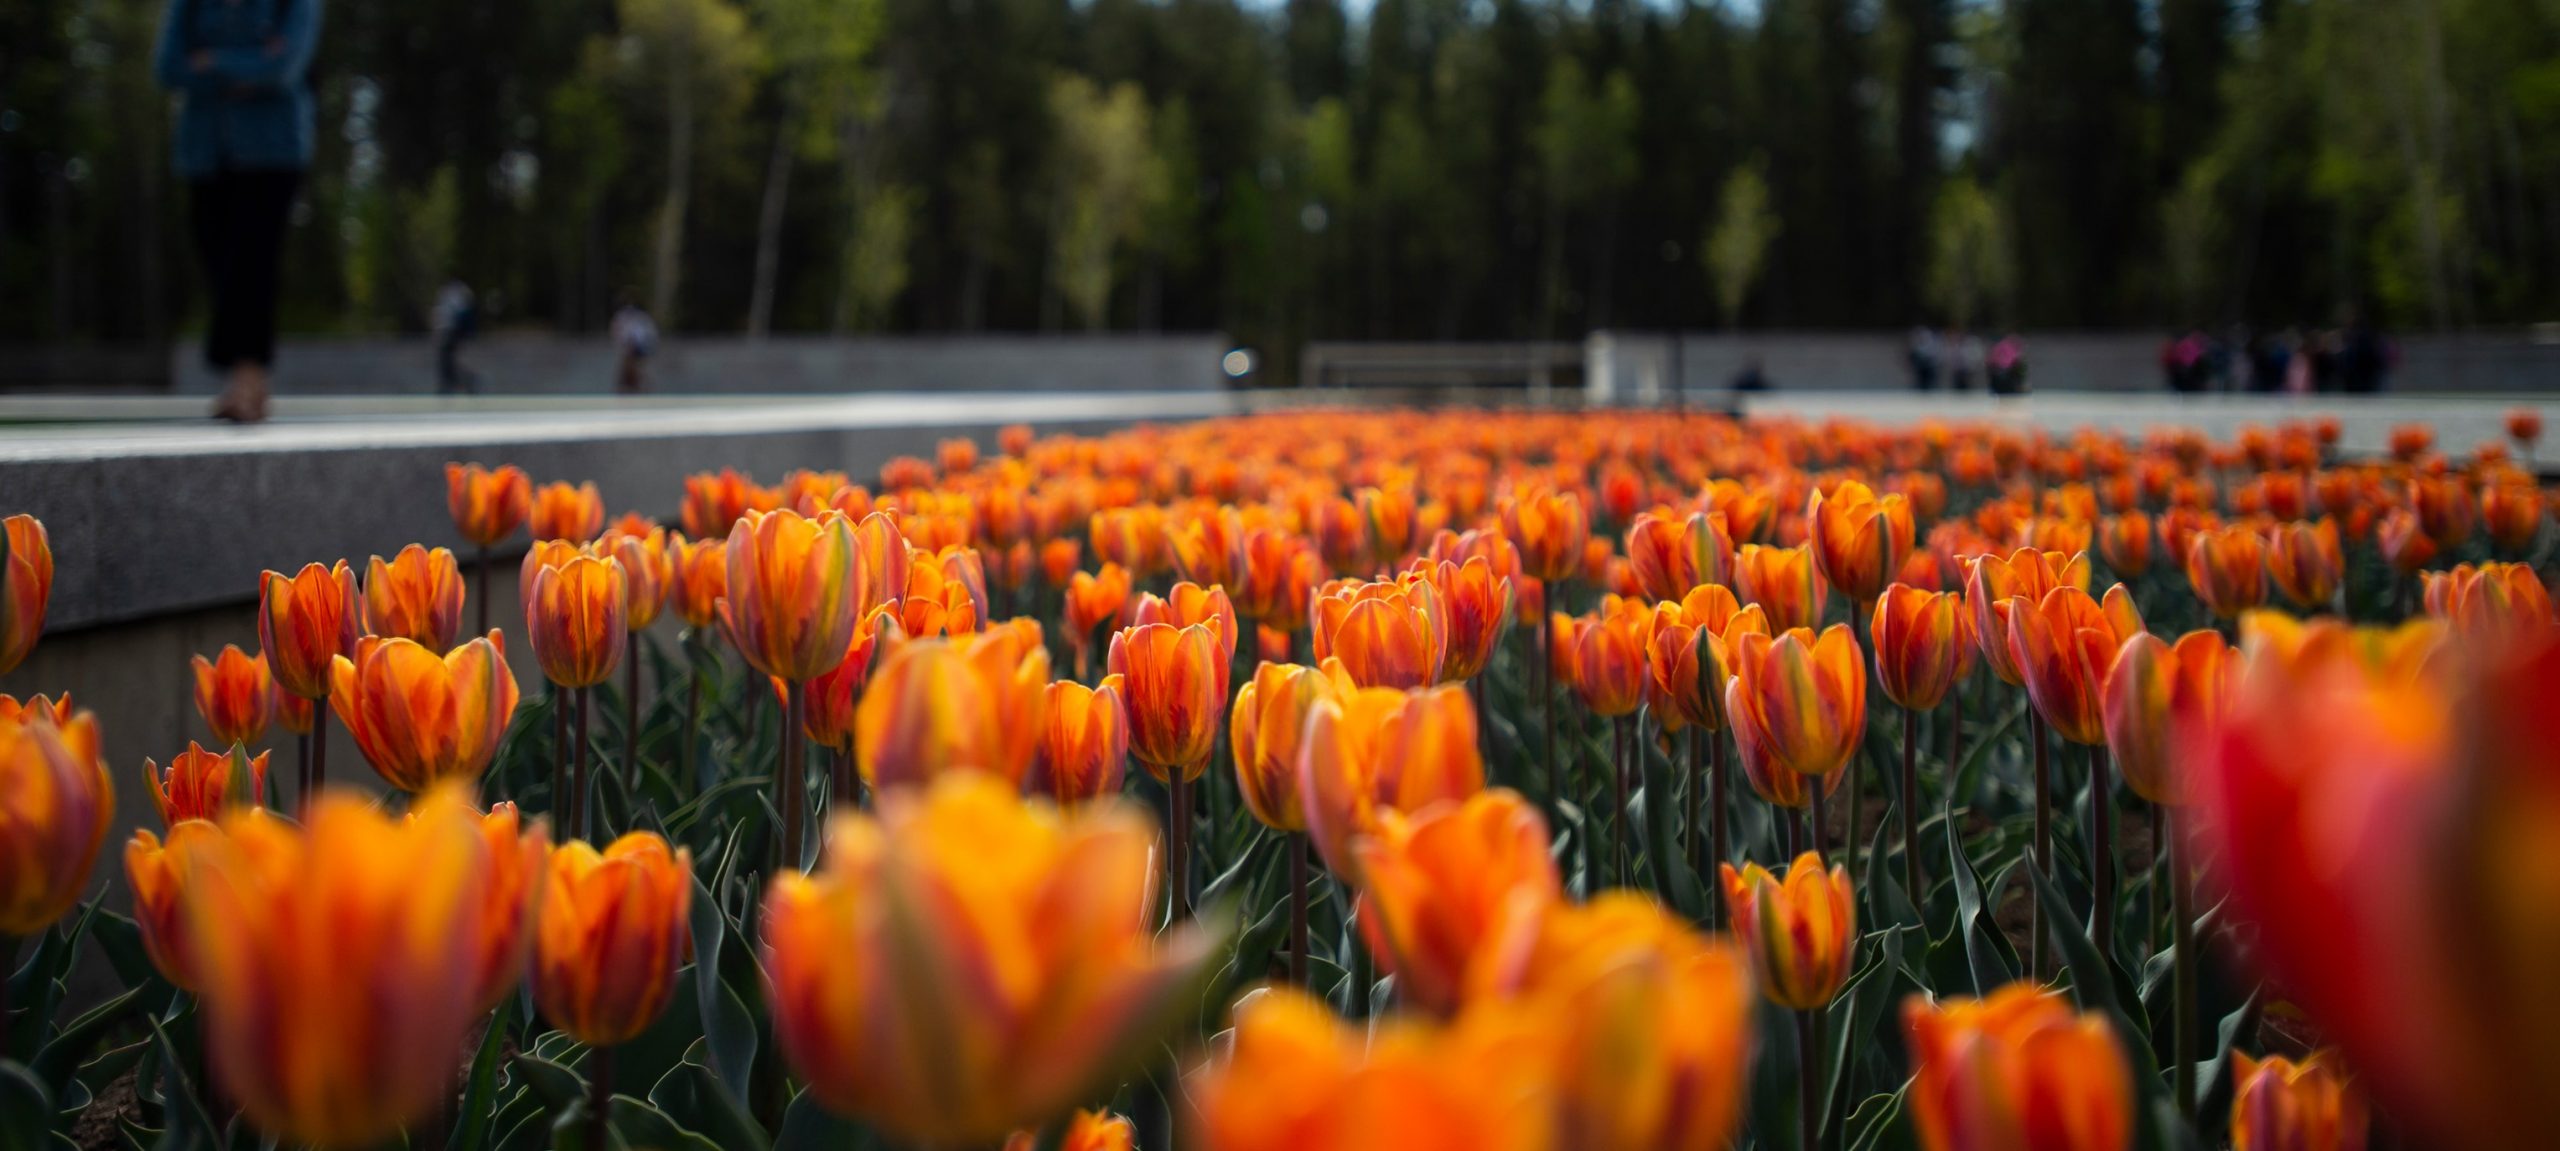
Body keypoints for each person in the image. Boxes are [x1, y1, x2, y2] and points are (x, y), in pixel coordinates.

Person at [155, 0, 323, 424]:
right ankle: (247, 378)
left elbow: (284, 68)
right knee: (219, 265)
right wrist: (248, 63)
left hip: (274, 149)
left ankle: (247, 381)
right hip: (203, 151)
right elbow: (169, 67)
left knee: (253, 263)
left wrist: (210, 61)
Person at [432, 279, 479, 394]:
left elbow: (448, 318)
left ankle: (459, 384)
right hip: (450, 334)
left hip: (451, 334)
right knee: (446, 363)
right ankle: (452, 385)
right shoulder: (455, 294)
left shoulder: (453, 294)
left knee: (447, 363)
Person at [610, 296, 657, 394]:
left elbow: (649, 333)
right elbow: (617, 332)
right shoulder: (622, 317)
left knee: (639, 370)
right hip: (628, 348)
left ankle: (641, 388)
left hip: (639, 347)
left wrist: (644, 345)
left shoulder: (642, 318)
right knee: (627, 369)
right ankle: (627, 388)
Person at [1907, 326, 1941, 391]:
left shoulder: (1932, 343)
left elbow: (1934, 355)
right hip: (1922, 368)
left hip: (1929, 367)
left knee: (1930, 385)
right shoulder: (1918, 345)